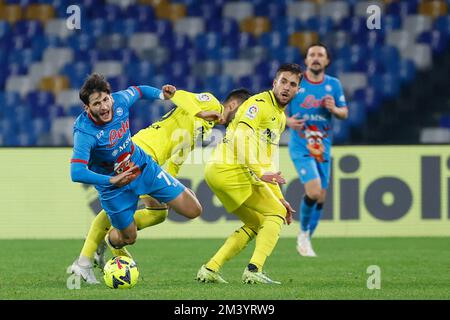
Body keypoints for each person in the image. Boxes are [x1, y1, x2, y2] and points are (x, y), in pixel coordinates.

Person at [69, 82, 252, 283]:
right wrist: (196, 111)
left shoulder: (207, 128)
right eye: (244, 114)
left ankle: (107, 239)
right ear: (234, 104)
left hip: (153, 160)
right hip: (145, 148)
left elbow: (179, 154)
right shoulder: (211, 103)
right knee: (124, 209)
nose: (244, 121)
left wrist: (173, 182)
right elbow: (181, 97)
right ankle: (92, 252)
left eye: (106, 100)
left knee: (161, 213)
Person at [196, 63, 301, 284]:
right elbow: (240, 137)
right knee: (275, 214)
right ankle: (254, 270)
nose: (287, 88)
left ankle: (210, 268)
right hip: (230, 169)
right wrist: (259, 173)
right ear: (274, 83)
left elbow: (267, 162)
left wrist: (280, 198)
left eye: (293, 84)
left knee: (257, 222)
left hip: (219, 171)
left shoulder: (280, 118)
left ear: (297, 90)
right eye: (283, 81)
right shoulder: (258, 104)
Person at [286, 44, 348, 257]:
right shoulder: (296, 83)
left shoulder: (334, 85)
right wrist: (287, 120)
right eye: (312, 54)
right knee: (313, 191)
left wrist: (334, 109)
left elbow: (344, 113)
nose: (316, 58)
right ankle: (303, 236)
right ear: (306, 60)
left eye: (320, 54)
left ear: (327, 61)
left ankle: (307, 238)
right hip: (300, 145)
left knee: (320, 197)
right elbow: (276, 108)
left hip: (322, 148)